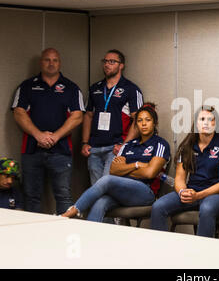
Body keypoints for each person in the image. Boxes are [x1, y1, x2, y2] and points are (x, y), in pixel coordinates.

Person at [62, 103, 170, 222]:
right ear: (136, 124)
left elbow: (150, 173)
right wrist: (137, 165)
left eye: (147, 120)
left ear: (154, 123)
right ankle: (91, 237)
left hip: (145, 192)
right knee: (101, 202)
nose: (143, 124)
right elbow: (114, 170)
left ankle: (75, 209)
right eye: (139, 121)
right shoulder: (128, 145)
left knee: (107, 180)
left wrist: (124, 169)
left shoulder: (160, 144)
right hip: (122, 191)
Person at [12, 48, 84, 215]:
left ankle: (64, 236)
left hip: (61, 151)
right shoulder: (27, 86)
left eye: (55, 60)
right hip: (31, 150)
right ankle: (33, 236)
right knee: (31, 197)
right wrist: (39, 135)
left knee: (63, 196)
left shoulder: (71, 88)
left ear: (60, 63)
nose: (51, 63)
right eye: (47, 60)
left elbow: (78, 116)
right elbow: (18, 112)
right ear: (41, 62)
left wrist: (55, 137)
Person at [151, 105, 219, 238]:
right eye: (202, 119)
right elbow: (179, 178)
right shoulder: (188, 146)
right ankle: (162, 250)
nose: (206, 123)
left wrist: (199, 195)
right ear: (196, 123)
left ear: (216, 123)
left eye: (210, 119)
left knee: (207, 208)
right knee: (158, 206)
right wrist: (183, 192)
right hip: (193, 191)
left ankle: (202, 254)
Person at [82, 49, 144, 185]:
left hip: (115, 148)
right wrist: (85, 142)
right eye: (105, 61)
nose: (107, 64)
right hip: (94, 148)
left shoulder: (131, 89)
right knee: (95, 189)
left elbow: (138, 120)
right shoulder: (95, 88)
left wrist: (124, 145)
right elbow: (88, 115)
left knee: (105, 187)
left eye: (112, 61)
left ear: (121, 65)